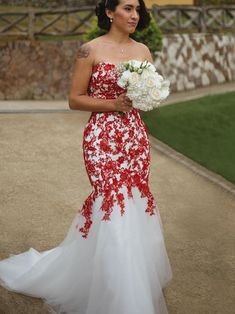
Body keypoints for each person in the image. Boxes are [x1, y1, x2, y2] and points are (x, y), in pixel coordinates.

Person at [0, 0, 173, 313]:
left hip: (134, 138)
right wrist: (113, 105)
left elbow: (145, 97)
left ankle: (130, 279)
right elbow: (74, 99)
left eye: (137, 9)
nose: (134, 15)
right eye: (128, 8)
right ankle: (122, 297)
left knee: (134, 201)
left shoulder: (143, 51)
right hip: (101, 138)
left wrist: (146, 97)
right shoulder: (88, 50)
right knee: (112, 202)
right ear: (109, 12)